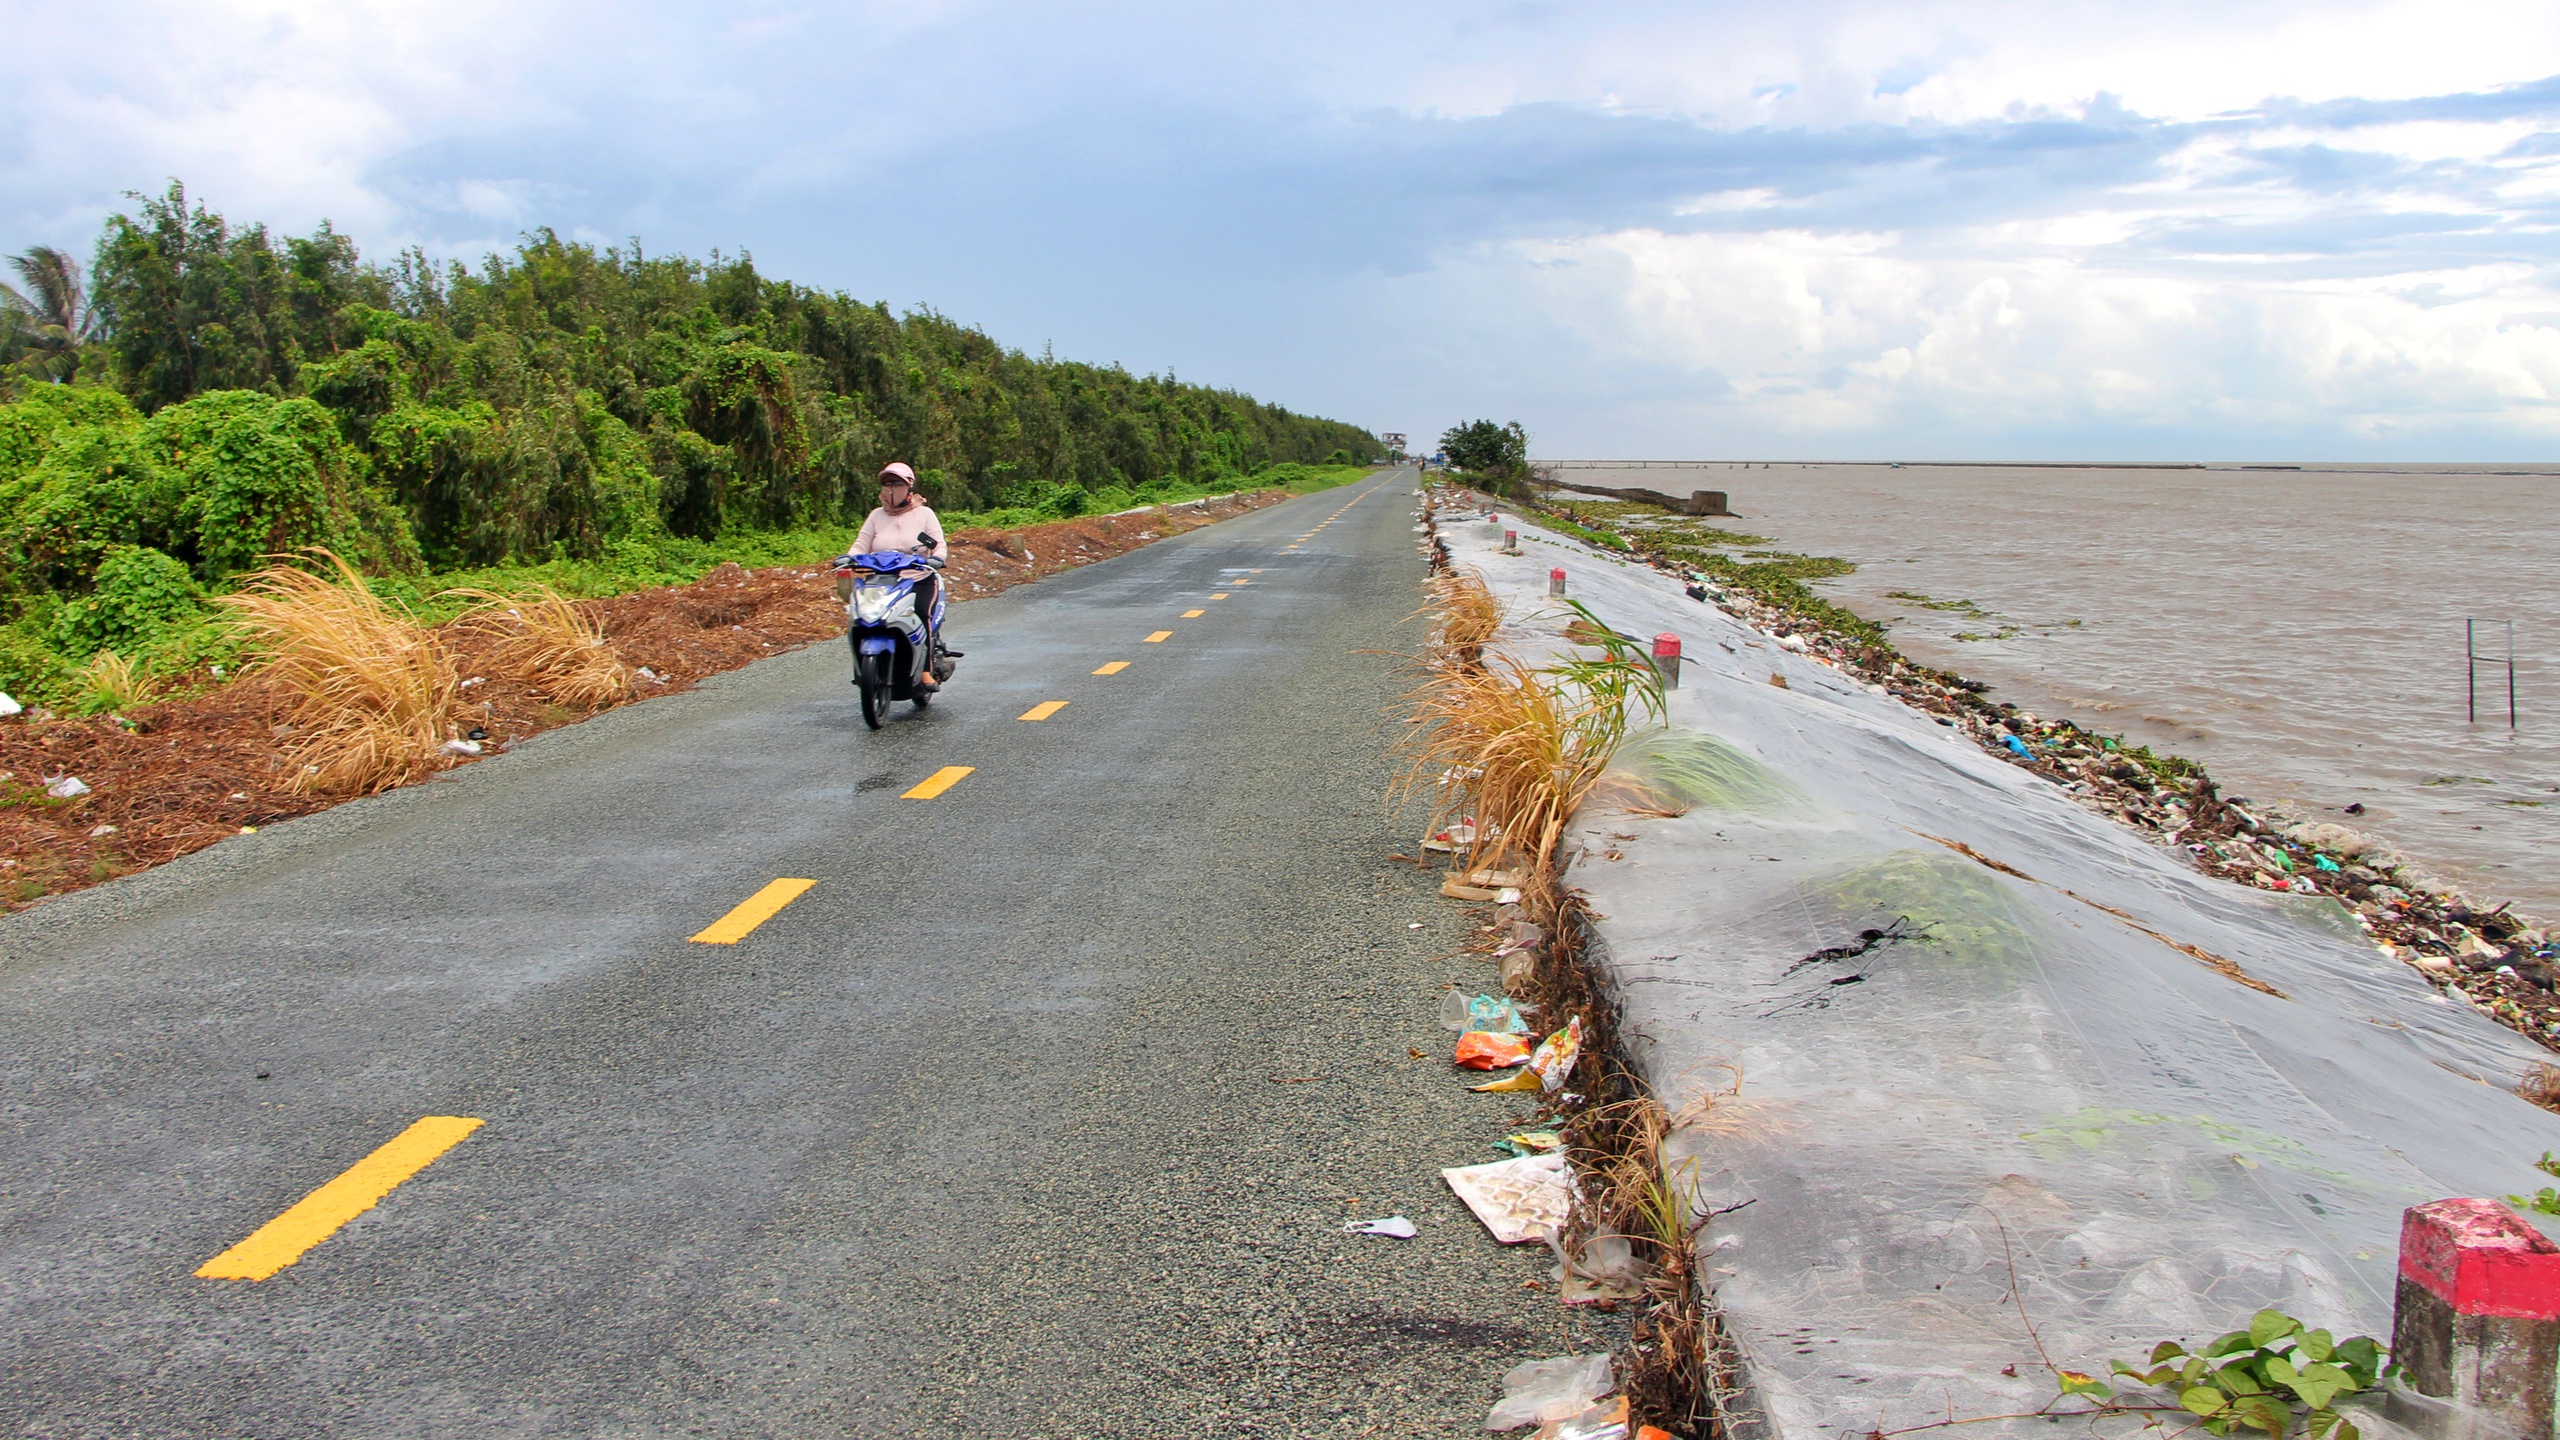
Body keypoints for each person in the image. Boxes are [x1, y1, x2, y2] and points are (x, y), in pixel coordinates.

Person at [850, 462, 963, 681]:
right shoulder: (876, 516)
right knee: (863, 616)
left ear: (909, 487)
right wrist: (849, 557)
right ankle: (862, 666)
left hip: (918, 577)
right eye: (887, 483)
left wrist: (937, 559)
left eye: (897, 483)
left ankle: (925, 670)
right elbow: (861, 543)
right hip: (883, 580)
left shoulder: (924, 514)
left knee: (922, 613)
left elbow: (939, 544)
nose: (891, 488)